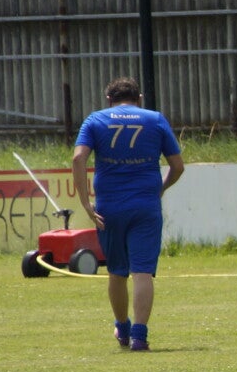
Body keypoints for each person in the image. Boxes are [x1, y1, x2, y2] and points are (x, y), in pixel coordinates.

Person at [71, 77, 184, 351]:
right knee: (142, 271)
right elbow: (178, 166)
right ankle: (139, 336)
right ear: (139, 98)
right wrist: (160, 188)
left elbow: (78, 158)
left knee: (117, 272)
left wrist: (86, 204)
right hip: (145, 206)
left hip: (109, 208)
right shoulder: (155, 119)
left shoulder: (95, 120)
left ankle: (122, 328)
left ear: (109, 100)